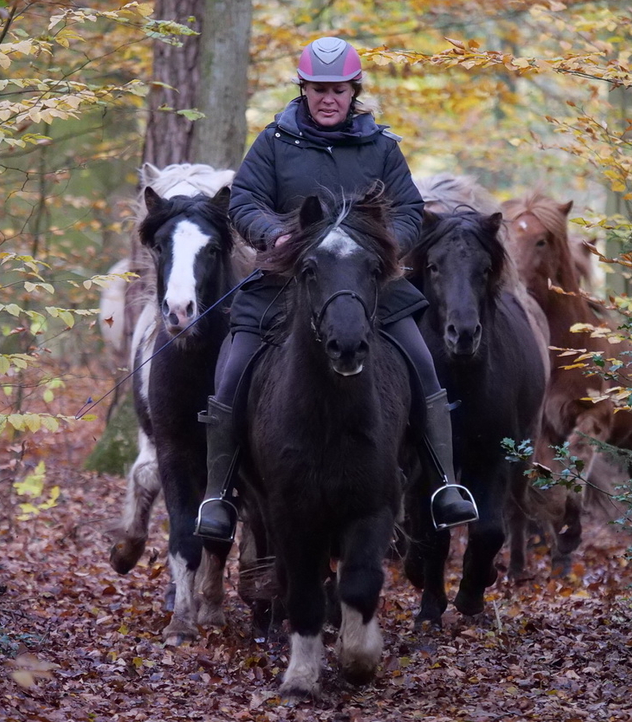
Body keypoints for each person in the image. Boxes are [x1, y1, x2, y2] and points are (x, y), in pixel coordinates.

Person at [194, 36, 477, 543]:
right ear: (304, 90)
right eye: (319, 89)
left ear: (354, 91)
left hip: (367, 284)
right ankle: (219, 494)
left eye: (338, 90)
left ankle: (444, 484)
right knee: (233, 370)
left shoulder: (381, 146)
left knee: (422, 364)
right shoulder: (275, 143)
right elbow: (243, 201)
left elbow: (412, 210)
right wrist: (273, 234)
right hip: (287, 281)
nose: (329, 98)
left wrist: (383, 246)